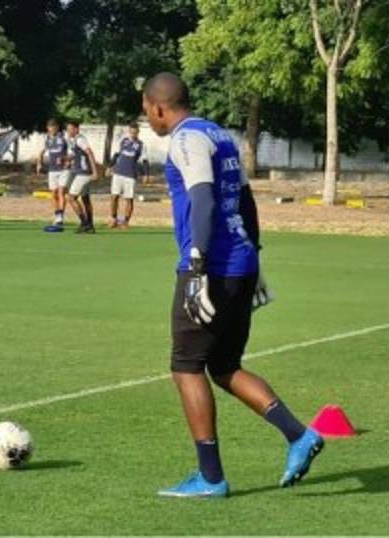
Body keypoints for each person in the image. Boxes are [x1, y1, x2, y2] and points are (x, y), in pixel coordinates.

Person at [142, 72, 321, 499]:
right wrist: (254, 256)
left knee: (185, 367)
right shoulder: (219, 135)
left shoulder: (185, 140)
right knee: (224, 367)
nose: (147, 117)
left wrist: (197, 265)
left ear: (159, 107)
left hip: (212, 266)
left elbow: (202, 199)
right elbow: (245, 200)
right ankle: (298, 436)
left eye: (146, 110)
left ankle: (210, 478)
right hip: (240, 262)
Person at [108, 122, 147, 229]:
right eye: (131, 132)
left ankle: (125, 221)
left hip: (130, 175)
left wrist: (145, 175)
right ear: (129, 131)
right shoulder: (123, 141)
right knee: (114, 196)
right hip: (118, 173)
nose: (133, 134)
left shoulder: (141, 145)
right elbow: (116, 155)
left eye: (135, 132)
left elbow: (144, 160)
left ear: (138, 132)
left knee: (128, 199)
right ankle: (113, 218)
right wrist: (110, 167)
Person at [64, 120, 99, 234]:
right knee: (85, 198)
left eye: (70, 129)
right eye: (67, 129)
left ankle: (84, 223)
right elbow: (74, 154)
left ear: (76, 129)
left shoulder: (80, 139)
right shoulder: (72, 140)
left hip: (83, 173)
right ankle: (90, 225)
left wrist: (95, 172)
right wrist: (66, 160)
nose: (68, 131)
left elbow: (90, 153)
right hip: (80, 172)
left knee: (71, 197)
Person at [37, 119, 70, 231]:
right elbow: (41, 152)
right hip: (52, 170)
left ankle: (60, 216)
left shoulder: (64, 138)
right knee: (53, 193)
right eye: (49, 127)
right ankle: (57, 214)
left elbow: (71, 153)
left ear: (57, 127)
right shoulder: (47, 139)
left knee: (61, 192)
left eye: (53, 127)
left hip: (64, 170)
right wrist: (39, 164)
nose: (51, 129)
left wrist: (67, 160)